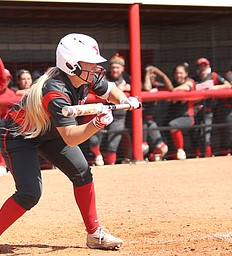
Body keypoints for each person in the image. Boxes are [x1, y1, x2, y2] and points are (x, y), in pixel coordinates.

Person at [0, 33, 140, 250]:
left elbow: (110, 89)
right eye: (91, 64)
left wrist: (124, 100)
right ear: (71, 65)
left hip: (51, 133)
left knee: (82, 173)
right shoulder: (55, 91)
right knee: (29, 194)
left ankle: (94, 234)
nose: (96, 68)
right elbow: (71, 137)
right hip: (19, 136)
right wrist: (97, 124)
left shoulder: (87, 77)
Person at [191, 57, 231, 158]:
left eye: (205, 66)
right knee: (195, 134)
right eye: (201, 66)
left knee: (206, 135)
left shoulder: (213, 76)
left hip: (209, 110)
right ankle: (196, 156)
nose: (203, 68)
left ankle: (207, 157)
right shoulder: (194, 80)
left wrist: (214, 88)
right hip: (196, 110)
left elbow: (228, 85)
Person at [142, 65, 172, 161]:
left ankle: (152, 159)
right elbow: (147, 88)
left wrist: (161, 74)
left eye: (154, 74)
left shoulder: (157, 84)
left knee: (163, 149)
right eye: (151, 74)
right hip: (140, 120)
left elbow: (170, 88)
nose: (152, 75)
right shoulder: (139, 84)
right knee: (143, 148)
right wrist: (147, 73)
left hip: (151, 120)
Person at [167, 63, 195, 160]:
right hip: (173, 115)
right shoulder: (173, 83)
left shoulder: (190, 81)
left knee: (173, 125)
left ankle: (181, 150)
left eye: (181, 73)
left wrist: (174, 91)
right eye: (177, 73)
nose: (178, 75)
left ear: (186, 73)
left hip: (188, 117)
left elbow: (187, 87)